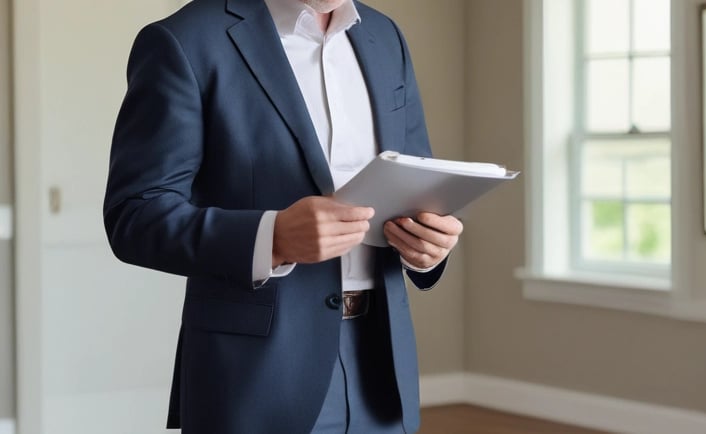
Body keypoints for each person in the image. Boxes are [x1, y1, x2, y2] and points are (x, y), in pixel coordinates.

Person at [102, 0, 461, 432]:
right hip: (256, 379)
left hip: (382, 373)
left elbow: (417, 184)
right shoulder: (184, 40)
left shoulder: (385, 36)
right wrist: (272, 238)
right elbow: (135, 214)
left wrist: (427, 247)